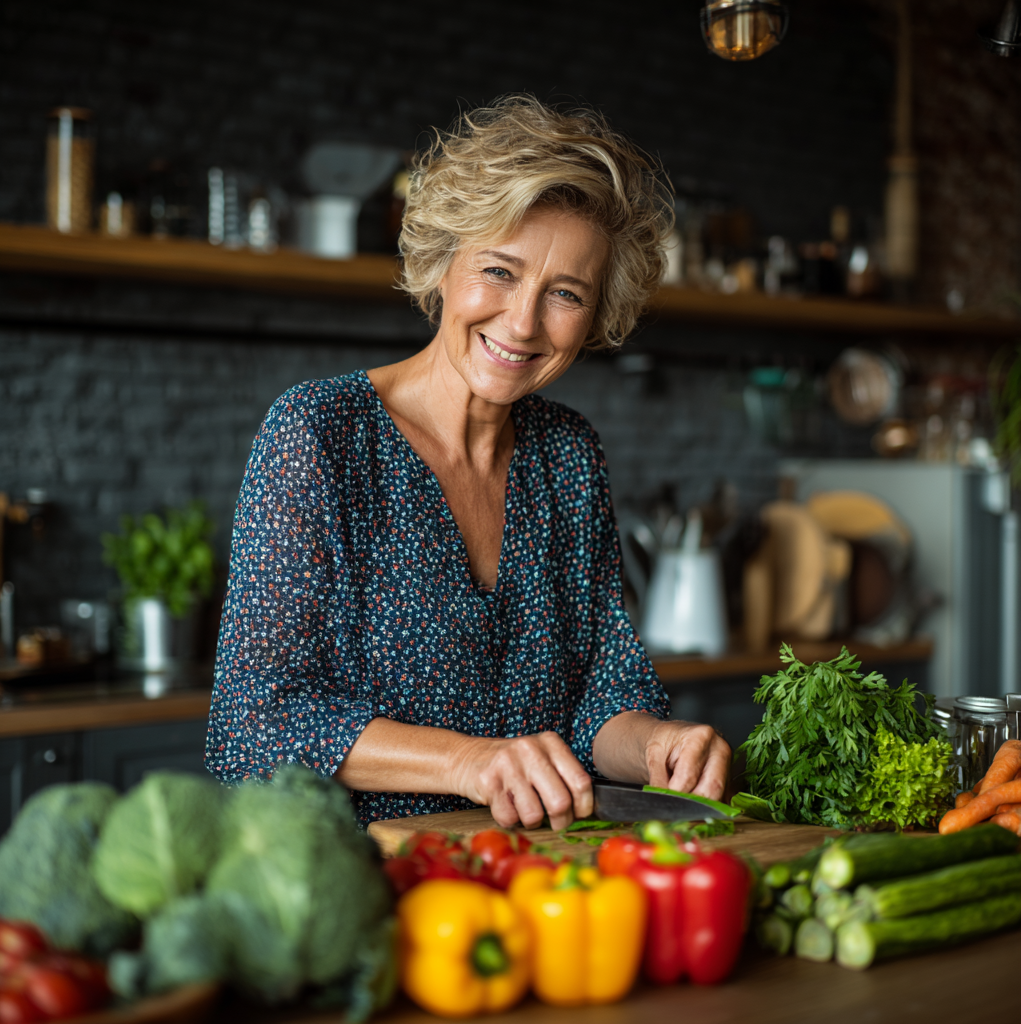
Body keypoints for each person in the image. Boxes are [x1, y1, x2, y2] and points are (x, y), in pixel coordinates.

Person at [205, 95, 731, 829]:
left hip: (540, 881)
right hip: (358, 884)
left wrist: (657, 745)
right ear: (443, 264)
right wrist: (470, 761)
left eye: (566, 293)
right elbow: (250, 724)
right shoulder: (321, 433)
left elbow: (602, 694)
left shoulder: (568, 455)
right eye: (500, 271)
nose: (522, 322)